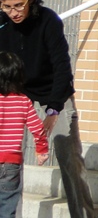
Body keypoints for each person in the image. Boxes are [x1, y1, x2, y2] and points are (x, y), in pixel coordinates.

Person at [0, 0, 96, 218]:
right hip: (15, 91)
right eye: (7, 7)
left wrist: (54, 110)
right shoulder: (1, 22)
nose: (14, 13)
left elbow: (62, 66)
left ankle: (82, 214)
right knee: (8, 158)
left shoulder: (48, 20)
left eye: (19, 5)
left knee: (69, 155)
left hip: (53, 90)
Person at [0, 51, 49, 218]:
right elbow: (38, 128)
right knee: (7, 205)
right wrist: (41, 150)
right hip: (11, 164)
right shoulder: (23, 101)